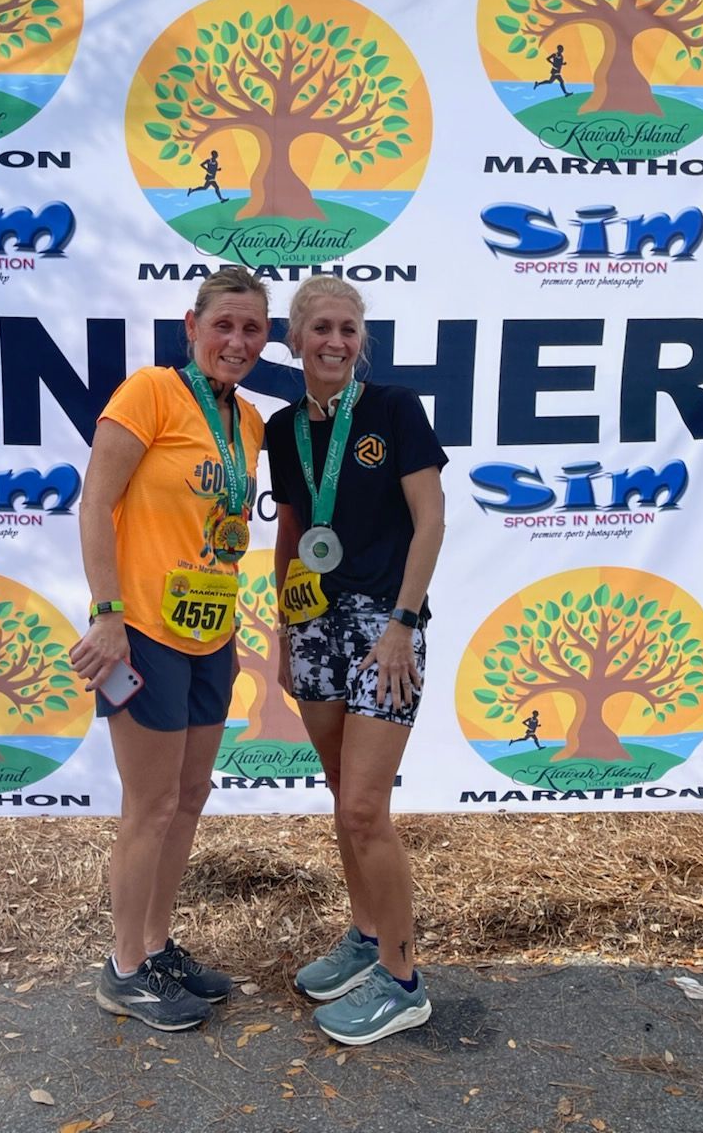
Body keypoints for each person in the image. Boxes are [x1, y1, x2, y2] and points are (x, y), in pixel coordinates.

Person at [70, 265, 269, 1032]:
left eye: (252, 328)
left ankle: (154, 946)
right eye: (224, 324)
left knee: (189, 799)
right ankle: (122, 969)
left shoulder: (247, 421)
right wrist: (108, 612)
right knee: (149, 806)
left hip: (212, 633)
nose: (237, 340)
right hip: (143, 631)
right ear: (192, 326)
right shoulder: (149, 392)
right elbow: (96, 504)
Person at [265, 274, 446, 1046]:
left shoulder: (395, 409)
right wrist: (283, 626)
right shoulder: (281, 428)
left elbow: (431, 518)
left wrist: (403, 621)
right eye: (321, 330)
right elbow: (293, 531)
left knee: (366, 809)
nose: (335, 342)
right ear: (296, 340)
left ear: (360, 340)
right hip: (314, 626)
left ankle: (403, 980)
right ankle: (368, 936)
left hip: (383, 628)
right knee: (344, 793)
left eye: (348, 329)